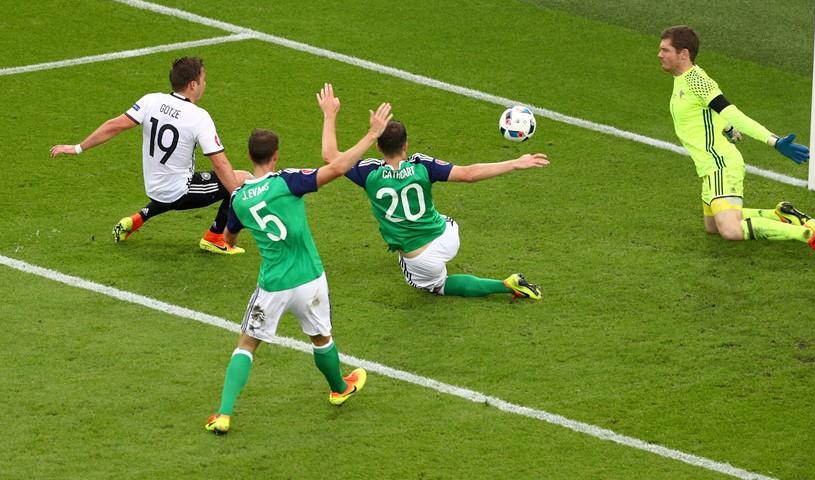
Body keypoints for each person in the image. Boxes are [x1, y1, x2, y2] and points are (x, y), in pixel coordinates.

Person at [204, 91, 393, 435]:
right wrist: (368, 132)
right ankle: (339, 388)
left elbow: (228, 238)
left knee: (247, 345)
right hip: (309, 278)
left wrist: (233, 237)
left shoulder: (239, 200)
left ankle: (224, 414)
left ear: (250, 156)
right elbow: (337, 166)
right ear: (276, 155)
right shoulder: (288, 182)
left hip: (273, 285)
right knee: (321, 337)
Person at [317, 85, 548, 300]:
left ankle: (507, 284)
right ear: (406, 145)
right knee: (436, 217)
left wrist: (329, 114)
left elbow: (330, 156)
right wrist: (514, 163)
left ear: (378, 146)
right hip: (448, 235)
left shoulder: (368, 173)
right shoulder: (422, 165)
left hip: (421, 258)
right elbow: (468, 174)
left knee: (437, 286)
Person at [658, 25, 815, 261]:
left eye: (665, 50)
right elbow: (702, 112)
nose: (660, 55)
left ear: (683, 54)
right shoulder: (682, 79)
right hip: (708, 168)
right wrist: (727, 128)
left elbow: (733, 112)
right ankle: (782, 215)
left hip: (720, 165)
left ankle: (808, 234)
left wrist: (774, 141)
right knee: (712, 227)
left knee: (730, 230)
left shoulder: (697, 81)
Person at [50, 57, 250, 254]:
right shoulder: (199, 117)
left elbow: (114, 126)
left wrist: (77, 148)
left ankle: (137, 219)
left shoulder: (151, 101)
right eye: (203, 79)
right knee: (243, 179)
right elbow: (220, 163)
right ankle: (215, 238)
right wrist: (238, 198)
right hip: (177, 190)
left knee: (174, 184)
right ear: (192, 84)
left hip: (153, 186)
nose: (205, 84)